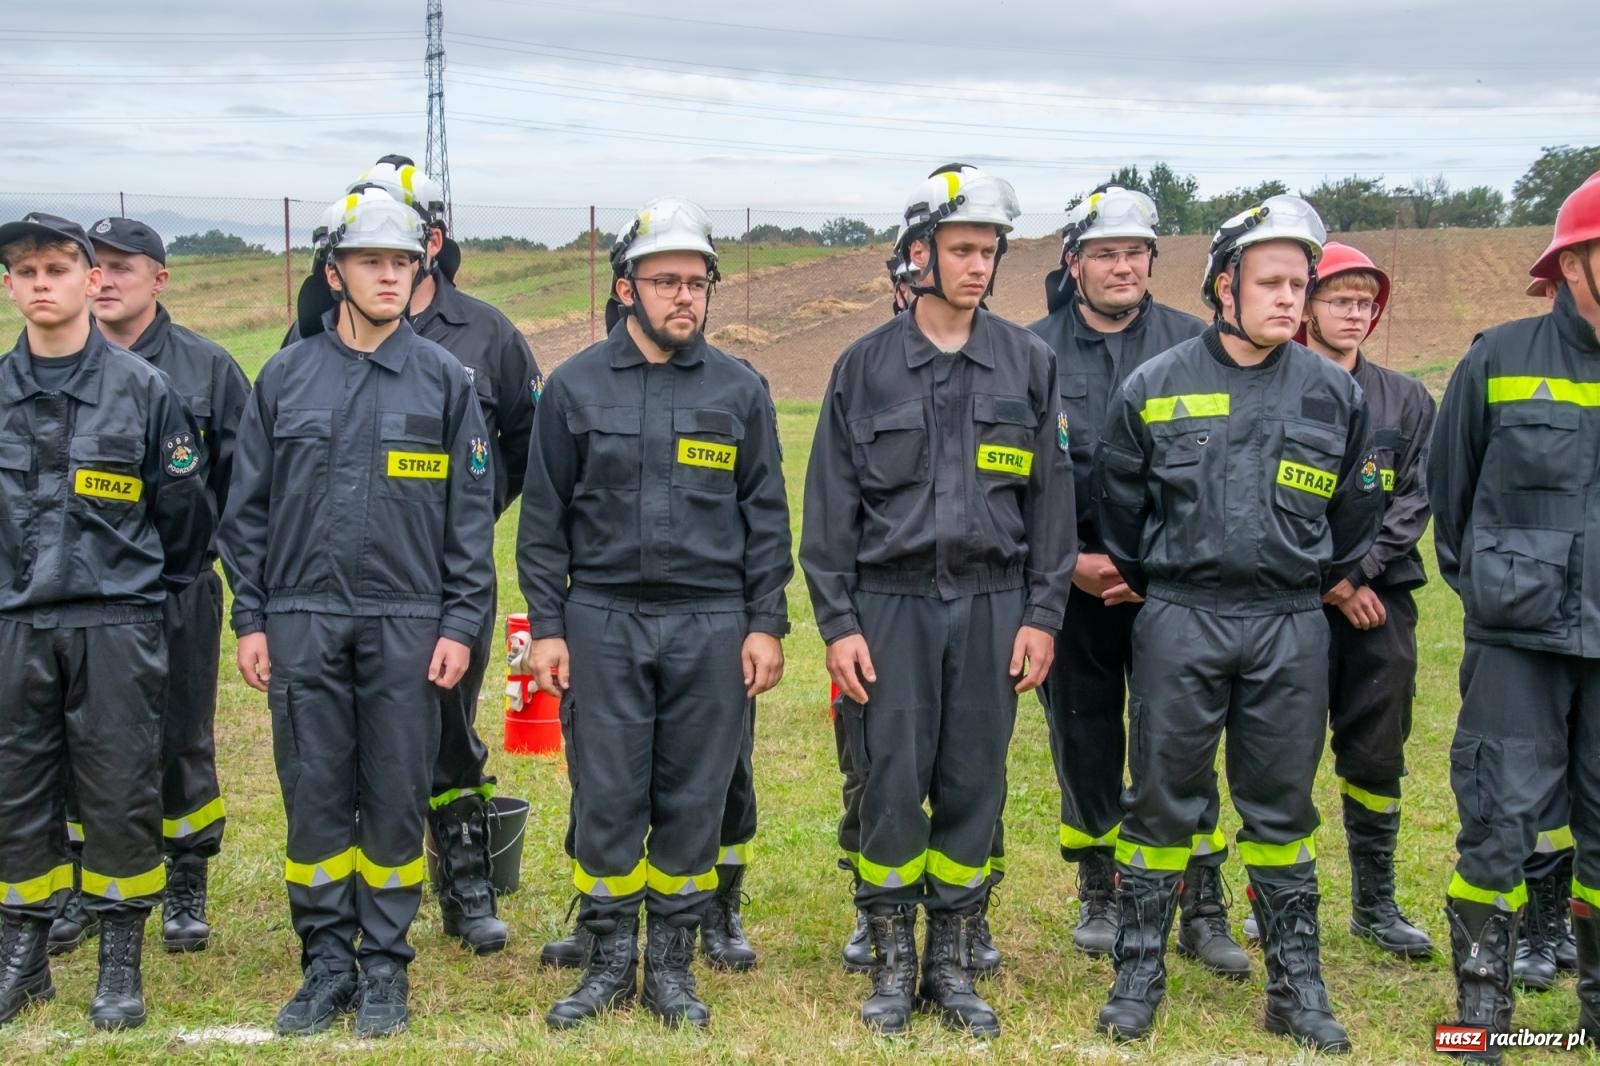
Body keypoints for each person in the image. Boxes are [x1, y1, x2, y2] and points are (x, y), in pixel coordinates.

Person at [1094, 194, 1382, 1052]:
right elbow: (1121, 511)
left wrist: (1308, 581)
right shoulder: (1153, 385)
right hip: (1181, 617)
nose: (1291, 299)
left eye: (1300, 283)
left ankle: (1296, 987)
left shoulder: (1335, 393)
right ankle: (1138, 972)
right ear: (1226, 285)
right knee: (1159, 804)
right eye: (1273, 283)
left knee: (1282, 808)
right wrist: (1172, 583)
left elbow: (1356, 518)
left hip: (1291, 623)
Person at [801, 165, 1074, 1037]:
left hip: (994, 604)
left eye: (988, 251)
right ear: (920, 255)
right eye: (961, 248)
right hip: (891, 604)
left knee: (973, 782)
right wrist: (839, 626)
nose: (976, 266)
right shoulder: (864, 368)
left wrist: (1042, 614)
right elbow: (829, 513)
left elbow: (1052, 505)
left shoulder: (1028, 362)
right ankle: (891, 958)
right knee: (889, 781)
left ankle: (951, 962)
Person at [219, 188, 496, 1038]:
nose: (389, 275)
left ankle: (383, 967)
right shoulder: (285, 374)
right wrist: (253, 618)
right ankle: (326, 963)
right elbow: (248, 513)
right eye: (372, 261)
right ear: (335, 272)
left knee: (392, 797)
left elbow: (470, 520)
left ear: (421, 271)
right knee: (313, 796)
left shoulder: (448, 383)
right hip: (301, 620)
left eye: (403, 262)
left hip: (408, 625)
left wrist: (457, 624)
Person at [518, 196, 792, 1031]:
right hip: (602, 618)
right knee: (606, 796)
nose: (684, 297)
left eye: (697, 282)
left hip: (711, 622)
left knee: (692, 796)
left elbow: (767, 517)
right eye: (665, 280)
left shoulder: (740, 390)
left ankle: (671, 966)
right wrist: (550, 628)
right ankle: (606, 962)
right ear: (626, 286)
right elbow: (542, 524)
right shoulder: (572, 387)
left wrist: (765, 623)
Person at [0, 213, 213, 1030]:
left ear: (92, 281)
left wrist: (138, 597)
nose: (42, 283)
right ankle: (22, 953)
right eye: (26, 272)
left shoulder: (143, 390)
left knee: (120, 787)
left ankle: (119, 958)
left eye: (58, 267)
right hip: (19, 623)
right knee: (17, 784)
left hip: (117, 621)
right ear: (10, 288)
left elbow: (185, 518)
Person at [1027, 185, 1245, 975]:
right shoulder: (1032, 351)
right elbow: (1021, 479)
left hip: (1177, 589)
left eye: (1136, 253)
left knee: (1181, 742)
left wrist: (1156, 567)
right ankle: (1100, 886)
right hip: (1074, 585)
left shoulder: (1200, 343)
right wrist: (1069, 565)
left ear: (1154, 261)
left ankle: (1203, 897)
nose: (1123, 267)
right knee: (1084, 736)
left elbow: (1222, 475)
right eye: (1106, 253)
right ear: (1074, 262)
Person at [343, 156, 541, 956]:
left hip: (447, 576)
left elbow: (524, 448)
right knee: (348, 730)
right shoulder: (323, 330)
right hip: (349, 578)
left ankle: (464, 880)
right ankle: (354, 886)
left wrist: (465, 516)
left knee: (449, 727)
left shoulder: (487, 334)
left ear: (432, 237)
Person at [42, 218, 250, 958]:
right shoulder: (56, 364)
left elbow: (239, 482)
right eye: (95, 266)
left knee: (180, 734)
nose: (105, 279)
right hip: (77, 595)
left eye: (123, 268)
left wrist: (195, 565)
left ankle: (185, 877)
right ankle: (80, 881)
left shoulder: (207, 368)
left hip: (175, 588)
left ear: (160, 280)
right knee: (76, 740)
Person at [1429, 169, 1600, 1059]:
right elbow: (1449, 502)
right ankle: (1482, 1019)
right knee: (1497, 821)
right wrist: (1507, 589)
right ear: (1573, 262)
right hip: (1517, 640)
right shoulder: (1498, 359)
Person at [1279, 241, 1434, 960]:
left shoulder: (1406, 398)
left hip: (1382, 605)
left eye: (1366, 303)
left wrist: (1362, 575)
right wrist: (1332, 584)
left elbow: (1413, 501)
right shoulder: (1279, 389)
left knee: (1376, 753)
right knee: (1280, 751)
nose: (1354, 314)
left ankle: (1375, 903)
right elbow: (1269, 503)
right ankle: (1280, 903)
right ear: (1309, 306)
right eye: (1340, 299)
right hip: (1295, 604)